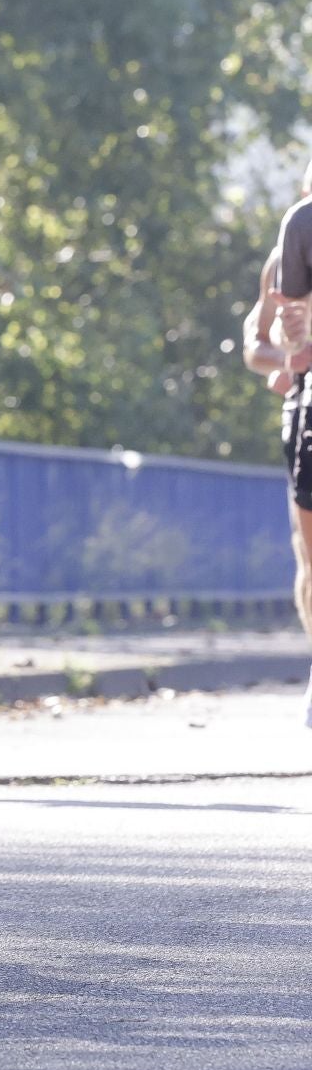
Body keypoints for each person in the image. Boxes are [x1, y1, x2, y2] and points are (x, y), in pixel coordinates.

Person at [242, 161, 312, 725]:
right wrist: (291, 362)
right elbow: (257, 348)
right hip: (303, 404)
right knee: (307, 549)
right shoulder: (284, 258)